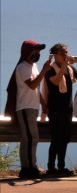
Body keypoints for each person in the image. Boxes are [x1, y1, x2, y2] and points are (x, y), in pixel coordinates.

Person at [7, 40, 53, 179]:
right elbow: (32, 85)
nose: (38, 54)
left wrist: (43, 104)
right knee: (29, 138)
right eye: (36, 52)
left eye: (39, 52)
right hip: (25, 107)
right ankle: (27, 168)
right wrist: (45, 70)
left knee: (32, 138)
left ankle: (31, 166)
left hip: (33, 107)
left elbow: (37, 88)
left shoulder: (34, 66)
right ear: (27, 52)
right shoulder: (22, 67)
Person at [42, 44, 77, 177]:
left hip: (68, 110)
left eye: (66, 53)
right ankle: (51, 168)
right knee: (56, 139)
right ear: (55, 55)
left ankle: (61, 166)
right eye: (62, 53)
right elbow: (55, 81)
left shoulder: (69, 68)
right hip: (55, 110)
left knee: (65, 139)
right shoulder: (49, 68)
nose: (65, 55)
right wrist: (63, 66)